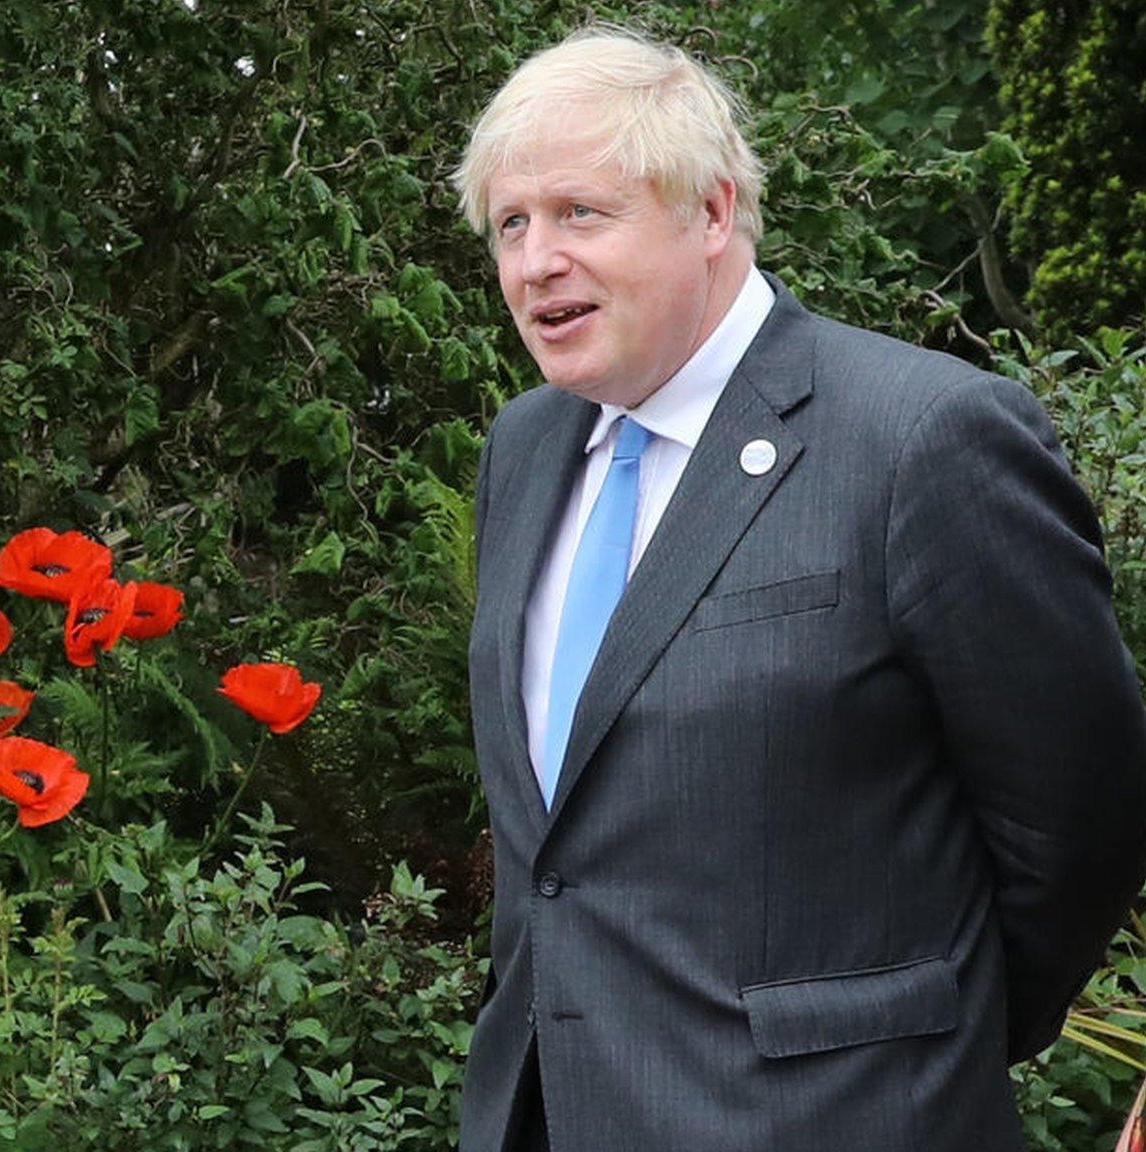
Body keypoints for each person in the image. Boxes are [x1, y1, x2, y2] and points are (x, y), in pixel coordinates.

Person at [450, 26, 1146, 1152]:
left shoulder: (919, 438)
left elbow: (1080, 819)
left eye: (580, 212)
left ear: (712, 213)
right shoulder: (524, 451)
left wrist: (914, 1043)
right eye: (511, 224)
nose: (535, 262)